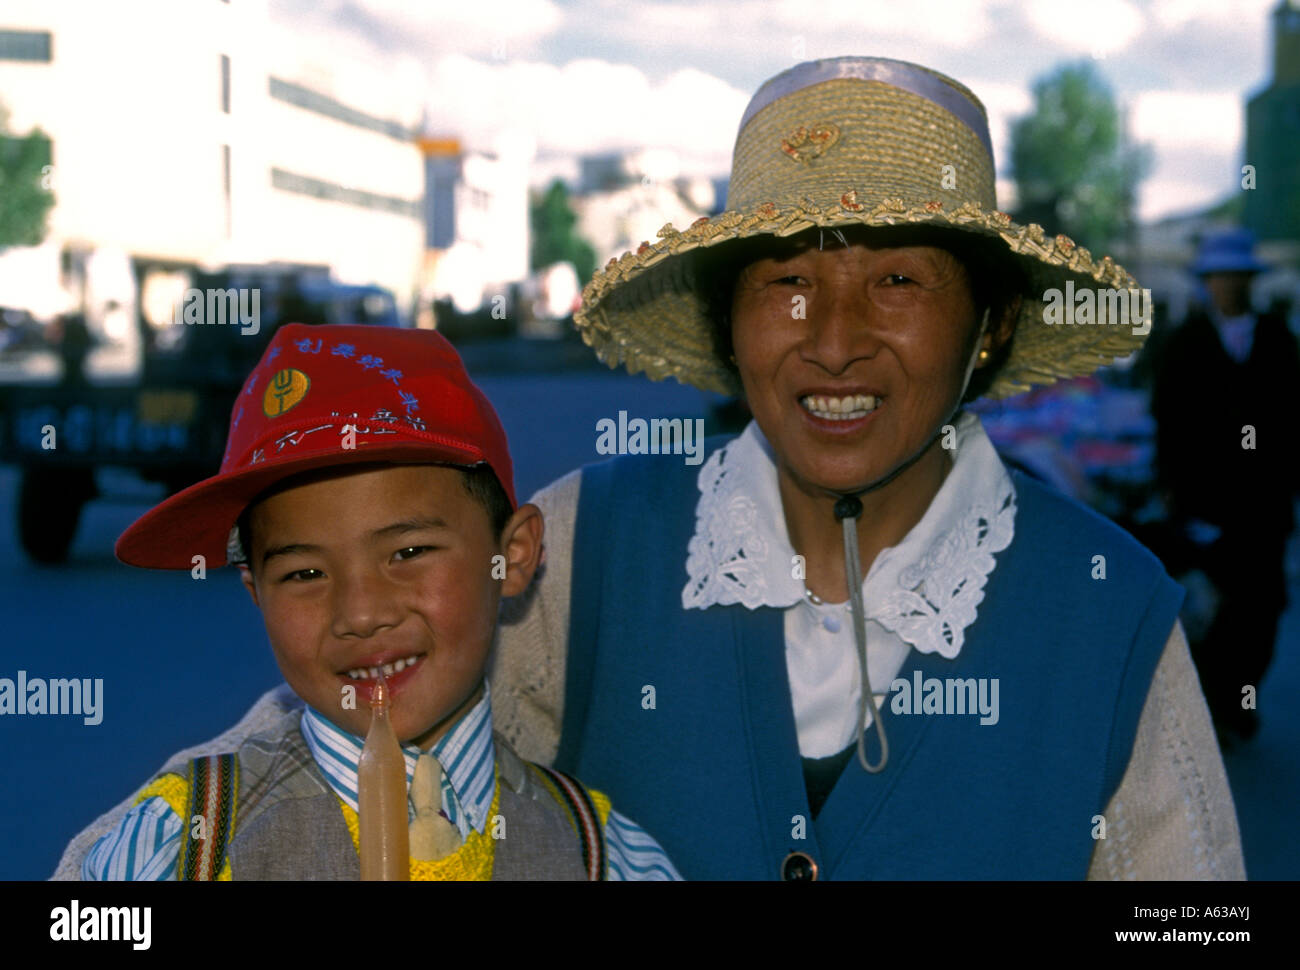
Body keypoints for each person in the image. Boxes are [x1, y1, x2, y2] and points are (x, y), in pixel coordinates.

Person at [488, 57, 1245, 879]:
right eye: (786, 281)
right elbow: (422, 817)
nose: (835, 342)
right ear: (727, 321)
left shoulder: (1109, 606)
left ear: (990, 324)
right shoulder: (579, 549)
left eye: (897, 280)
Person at [53, 323, 679, 880]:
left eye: (408, 554)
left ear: (512, 556)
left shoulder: (602, 855)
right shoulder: (182, 846)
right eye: (302, 573)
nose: (360, 614)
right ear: (256, 592)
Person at [1150, 228, 1300, 744]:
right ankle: (1215, 706)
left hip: (1265, 501)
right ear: (1207, 282)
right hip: (1205, 498)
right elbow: (1167, 417)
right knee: (1213, 603)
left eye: (1237, 277)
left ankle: (1240, 701)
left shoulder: (1278, 338)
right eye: (1220, 277)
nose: (1228, 286)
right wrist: (1172, 484)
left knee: (1261, 606)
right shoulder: (1186, 342)